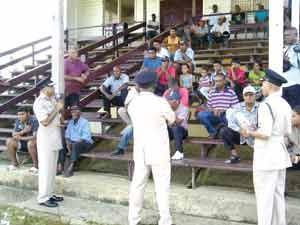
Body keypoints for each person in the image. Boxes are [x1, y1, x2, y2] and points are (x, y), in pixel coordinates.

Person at [241, 69, 292, 225]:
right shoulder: (284, 103)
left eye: (262, 83)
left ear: (269, 84)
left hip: (267, 155)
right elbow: (287, 131)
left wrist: (248, 131)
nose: (261, 87)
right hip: (280, 153)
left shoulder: (266, 105)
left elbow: (265, 133)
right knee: (278, 196)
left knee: (264, 198)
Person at [128, 71, 175, 225]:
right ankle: (165, 220)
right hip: (159, 149)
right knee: (162, 186)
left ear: (138, 85)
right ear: (154, 85)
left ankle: (133, 219)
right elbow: (172, 119)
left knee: (137, 184)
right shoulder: (160, 102)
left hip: (140, 149)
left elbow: (128, 107)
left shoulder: (133, 102)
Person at [33, 83, 64, 208]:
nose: (54, 89)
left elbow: (55, 118)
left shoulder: (51, 99)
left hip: (54, 137)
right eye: (52, 87)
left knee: (52, 169)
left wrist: (59, 115)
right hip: (46, 139)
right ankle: (43, 198)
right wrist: (56, 109)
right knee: (46, 169)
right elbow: (45, 122)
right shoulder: (39, 102)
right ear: (45, 89)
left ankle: (49, 194)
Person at [220, 86, 258, 164]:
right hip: (241, 135)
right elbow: (231, 123)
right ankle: (234, 156)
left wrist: (252, 131)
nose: (249, 97)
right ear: (243, 97)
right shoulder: (237, 107)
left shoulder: (262, 107)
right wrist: (240, 130)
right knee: (224, 131)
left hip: (256, 135)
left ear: (255, 96)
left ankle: (260, 157)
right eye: (246, 95)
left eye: (251, 95)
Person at [197, 73, 239, 138]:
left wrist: (224, 110)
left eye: (219, 81)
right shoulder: (212, 92)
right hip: (215, 115)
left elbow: (237, 108)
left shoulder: (231, 92)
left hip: (226, 116)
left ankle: (223, 130)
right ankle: (213, 132)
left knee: (230, 117)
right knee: (201, 114)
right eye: (216, 81)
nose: (217, 83)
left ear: (224, 81)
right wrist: (213, 110)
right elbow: (209, 107)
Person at [59, 106, 93, 177]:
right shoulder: (71, 122)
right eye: (72, 112)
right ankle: (60, 166)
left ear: (79, 113)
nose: (73, 113)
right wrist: (68, 144)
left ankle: (72, 166)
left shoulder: (85, 122)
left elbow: (85, 137)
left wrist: (73, 144)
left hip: (85, 143)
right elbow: (67, 136)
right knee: (62, 146)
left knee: (75, 145)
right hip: (72, 143)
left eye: (75, 111)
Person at [6, 107, 39, 172]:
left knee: (31, 143)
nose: (20, 116)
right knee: (9, 141)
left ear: (28, 114)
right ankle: (14, 164)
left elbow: (35, 136)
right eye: (19, 114)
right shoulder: (18, 120)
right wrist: (23, 131)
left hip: (34, 144)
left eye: (22, 114)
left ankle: (36, 166)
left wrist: (21, 137)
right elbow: (13, 134)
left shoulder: (34, 120)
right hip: (23, 143)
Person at [111, 86, 139, 156]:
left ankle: (120, 148)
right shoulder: (133, 90)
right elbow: (126, 103)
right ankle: (131, 125)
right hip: (134, 115)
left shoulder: (146, 93)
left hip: (143, 117)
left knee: (129, 130)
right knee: (121, 110)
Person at [166, 91, 189, 160]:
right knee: (160, 128)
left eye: (170, 99)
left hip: (182, 131)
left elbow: (177, 122)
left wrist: (170, 112)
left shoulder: (184, 108)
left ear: (177, 101)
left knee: (176, 128)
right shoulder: (167, 108)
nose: (168, 101)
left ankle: (179, 152)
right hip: (170, 130)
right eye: (168, 99)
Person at [282, 27, 300, 108]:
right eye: (285, 35)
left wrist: (288, 61)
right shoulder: (284, 48)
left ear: (296, 35)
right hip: (283, 85)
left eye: (288, 35)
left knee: (295, 111)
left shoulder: (298, 48)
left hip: (295, 84)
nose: (286, 37)